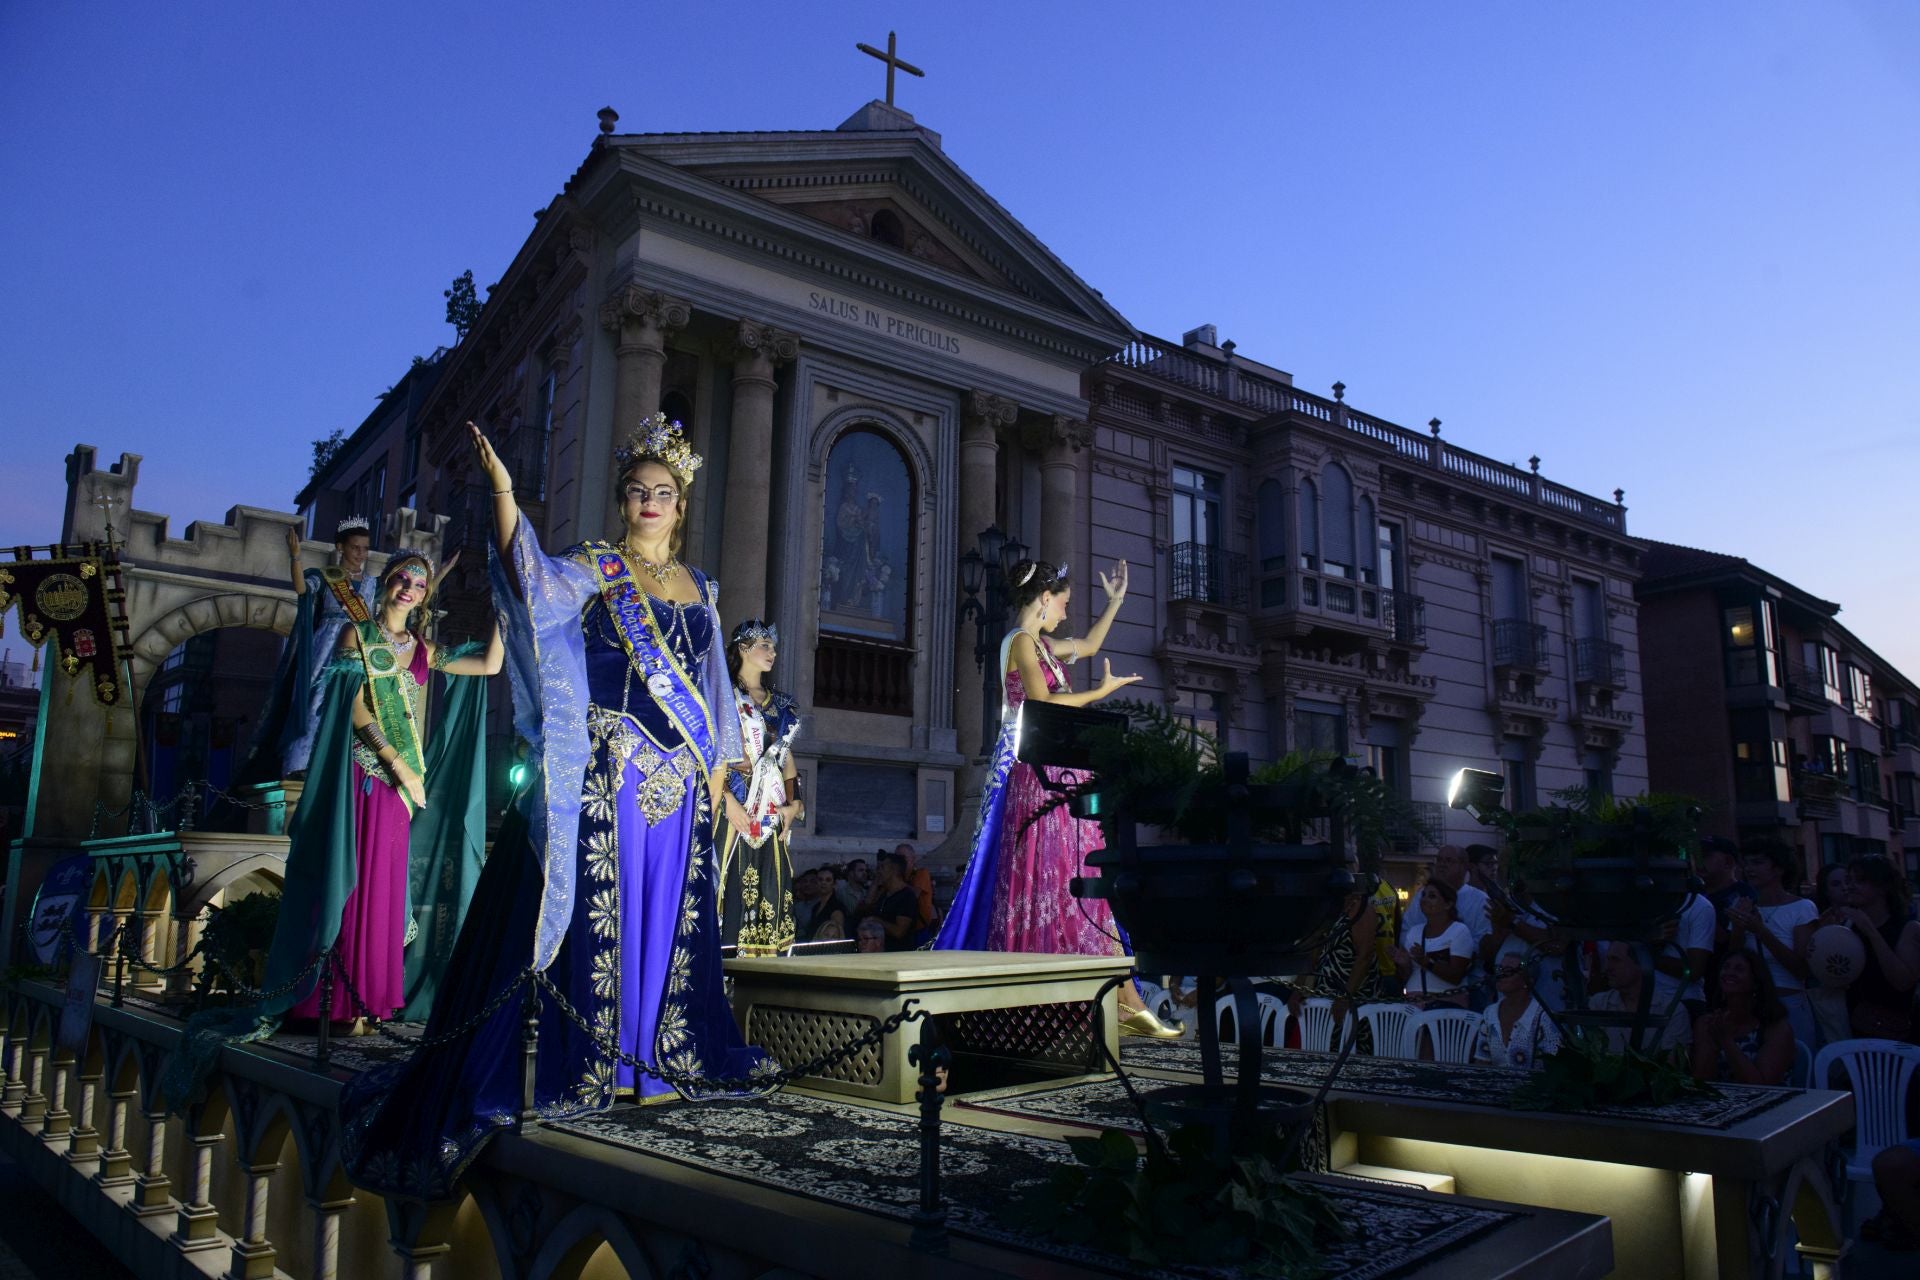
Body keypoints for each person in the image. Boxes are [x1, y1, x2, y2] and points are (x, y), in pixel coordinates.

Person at [338, 415, 770, 1200]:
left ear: (682, 505)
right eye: (637, 491)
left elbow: (709, 692)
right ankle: (597, 1067)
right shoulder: (595, 567)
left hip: (681, 782)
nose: (649, 503)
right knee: (606, 919)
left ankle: (663, 1063)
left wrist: (722, 778)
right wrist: (504, 489)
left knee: (666, 919)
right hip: (610, 770)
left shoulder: (702, 588)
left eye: (663, 493)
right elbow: (526, 574)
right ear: (623, 500)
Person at [163, 552, 498, 1106]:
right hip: (366, 778)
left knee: (387, 891)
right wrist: (400, 766)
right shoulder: (355, 635)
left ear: (425, 595)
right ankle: (333, 1002)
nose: (410, 589)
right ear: (387, 583)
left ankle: (369, 999)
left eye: (419, 583)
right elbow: (358, 711)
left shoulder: (424, 651)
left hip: (398, 795)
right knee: (354, 882)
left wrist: (508, 608)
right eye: (402, 578)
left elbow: (487, 666)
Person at [934, 557, 1176, 1037]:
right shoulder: (1021, 643)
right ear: (1044, 599)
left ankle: (1120, 1001)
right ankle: (1110, 1002)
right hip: (1034, 773)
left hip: (1058, 771)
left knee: (1073, 873)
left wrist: (1116, 603)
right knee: (1056, 875)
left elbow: (1087, 645)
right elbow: (1042, 703)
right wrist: (1100, 693)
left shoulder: (1042, 645)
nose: (1065, 614)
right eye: (1063, 604)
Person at [717, 620, 802, 957]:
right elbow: (708, 755)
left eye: (773, 646)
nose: (773, 652)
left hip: (771, 812)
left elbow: (787, 762)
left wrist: (794, 806)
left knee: (771, 887)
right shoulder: (721, 694)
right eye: (765, 645)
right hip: (733, 808)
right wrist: (727, 802)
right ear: (743, 648)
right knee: (730, 886)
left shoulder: (782, 705)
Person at [1727, 840, 1819, 1051]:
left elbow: (1801, 968)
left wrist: (1761, 931)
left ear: (1778, 869)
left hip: (1788, 1005)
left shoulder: (1802, 908)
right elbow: (1733, 959)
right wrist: (1739, 928)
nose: (1749, 869)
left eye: (1758, 863)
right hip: (1751, 1006)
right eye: (1746, 863)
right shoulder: (1742, 905)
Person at [1836, 855, 1920, 1042]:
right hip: (1852, 1029)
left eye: (1861, 880)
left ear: (1883, 887)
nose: (1850, 886)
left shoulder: (1908, 928)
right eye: (1849, 880)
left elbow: (1902, 982)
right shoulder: (1848, 926)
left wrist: (1871, 932)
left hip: (1896, 1036)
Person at [1299, 873, 1382, 1050]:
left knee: (1353, 1051)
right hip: (1325, 995)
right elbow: (1314, 948)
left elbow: (1365, 956)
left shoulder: (1361, 909)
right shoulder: (1330, 908)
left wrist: (1345, 998)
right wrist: (1297, 990)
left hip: (1354, 996)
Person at [1400, 846, 1492, 1004]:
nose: (1442, 865)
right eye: (1439, 860)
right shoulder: (1419, 899)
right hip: (1418, 992)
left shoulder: (1480, 901)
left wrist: (1432, 959)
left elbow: (1482, 943)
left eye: (1449, 861)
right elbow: (1406, 935)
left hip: (1469, 987)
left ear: (1465, 866)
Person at [1690, 949, 1795, 1085]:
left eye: (1739, 969)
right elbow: (1701, 1082)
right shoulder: (1707, 1023)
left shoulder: (1776, 1028)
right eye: (1726, 967)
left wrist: (1726, 1040)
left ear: (1756, 981)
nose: (1729, 973)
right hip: (1721, 1103)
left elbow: (1762, 1087)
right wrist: (1712, 1043)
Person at [1589, 941, 1693, 1055]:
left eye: (1615, 960)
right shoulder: (1598, 1004)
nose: (1607, 968)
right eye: (1608, 960)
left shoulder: (1673, 1011)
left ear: (1641, 963)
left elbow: (1671, 1066)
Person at [1394, 880, 1475, 1008]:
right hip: (1414, 1003)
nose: (1424, 900)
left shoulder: (1459, 931)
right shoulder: (1414, 932)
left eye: (1432, 896)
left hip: (1448, 1004)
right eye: (1423, 895)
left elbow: (1456, 976)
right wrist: (1404, 964)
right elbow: (1406, 976)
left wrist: (1426, 961)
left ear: (1448, 904)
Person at [1477, 955, 1561, 1070]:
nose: (1500, 975)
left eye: (1508, 971)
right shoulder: (1489, 1013)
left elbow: (1552, 1067)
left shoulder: (1544, 1018)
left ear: (1527, 981)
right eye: (1499, 969)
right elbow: (1482, 1062)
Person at [1698, 836, 1755, 946]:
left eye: (1705, 856)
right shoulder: (1690, 892)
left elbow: (1731, 942)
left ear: (1728, 861)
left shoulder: (1743, 895)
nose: (1697, 861)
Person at [859, 852, 921, 952]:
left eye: (882, 867)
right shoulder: (883, 893)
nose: (879, 871)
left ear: (893, 870)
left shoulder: (906, 896)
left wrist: (876, 920)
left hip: (898, 955)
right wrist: (875, 883)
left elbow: (899, 932)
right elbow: (866, 906)